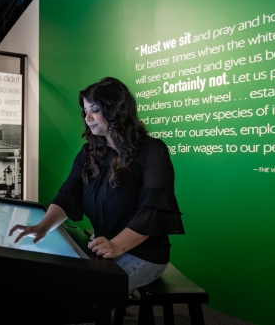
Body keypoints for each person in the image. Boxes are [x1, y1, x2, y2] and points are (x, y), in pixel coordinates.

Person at [9, 77, 183, 294]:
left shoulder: (152, 151)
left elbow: (152, 211)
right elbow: (69, 193)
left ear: (116, 110)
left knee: (85, 293)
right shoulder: (88, 152)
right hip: (103, 246)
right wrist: (43, 226)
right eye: (85, 111)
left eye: (95, 110)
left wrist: (115, 246)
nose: (88, 117)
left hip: (142, 254)